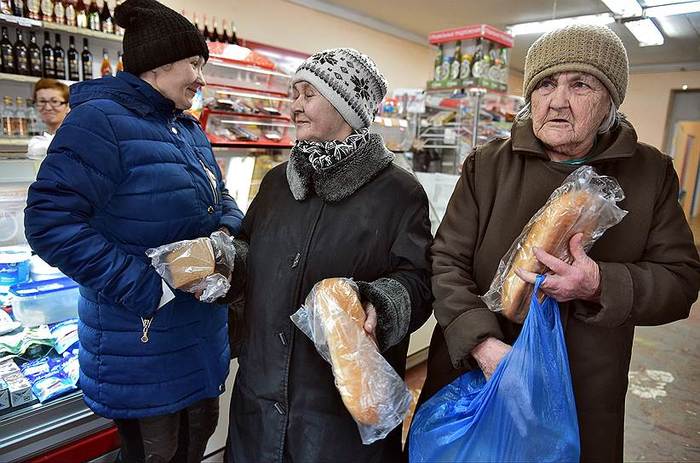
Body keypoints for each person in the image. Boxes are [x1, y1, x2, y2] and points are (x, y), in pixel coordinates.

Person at [414, 24, 700, 462]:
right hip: (476, 371)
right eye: (546, 84)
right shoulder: (487, 165)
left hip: (581, 386)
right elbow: (445, 261)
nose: (558, 100)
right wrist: (483, 345)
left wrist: (600, 284)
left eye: (580, 84)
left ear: (610, 100)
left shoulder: (650, 173)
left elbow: (681, 281)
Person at [24, 0, 243, 461]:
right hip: (142, 345)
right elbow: (49, 221)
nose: (201, 78)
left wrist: (226, 238)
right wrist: (146, 286)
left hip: (198, 336)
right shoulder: (98, 122)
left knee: (195, 440)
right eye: (195, 64)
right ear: (159, 66)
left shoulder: (186, 128)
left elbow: (220, 196)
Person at [225, 48, 433, 462]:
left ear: (346, 106)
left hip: (337, 413)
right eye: (294, 94)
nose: (295, 106)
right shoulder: (277, 184)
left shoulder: (399, 192)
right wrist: (224, 263)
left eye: (309, 94)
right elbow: (250, 251)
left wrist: (379, 304)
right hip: (260, 397)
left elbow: (420, 280)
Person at [27, 79, 70, 159]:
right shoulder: (37, 142)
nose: (48, 107)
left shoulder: (75, 139)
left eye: (54, 101)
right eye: (42, 101)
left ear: (67, 106)